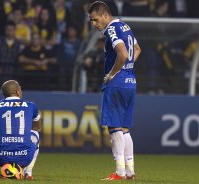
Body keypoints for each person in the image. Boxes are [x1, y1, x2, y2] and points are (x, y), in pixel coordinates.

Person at [88, 1, 141, 180]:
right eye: (91, 21)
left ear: (105, 15)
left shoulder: (111, 29)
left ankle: (119, 172)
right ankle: (130, 170)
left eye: (95, 19)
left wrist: (112, 74)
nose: (94, 24)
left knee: (114, 127)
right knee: (124, 128)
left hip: (117, 82)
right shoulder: (125, 26)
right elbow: (137, 49)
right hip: (130, 81)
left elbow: (123, 54)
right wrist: (127, 69)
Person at [0, 80, 40, 180]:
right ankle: (28, 173)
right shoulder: (31, 106)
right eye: (20, 89)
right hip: (25, 158)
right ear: (18, 92)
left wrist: (0, 132)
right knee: (35, 134)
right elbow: (37, 126)